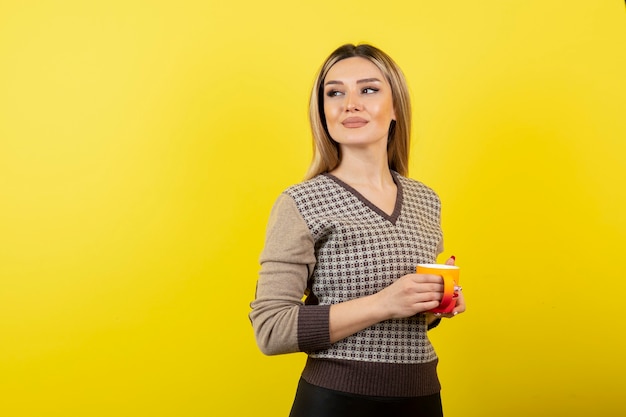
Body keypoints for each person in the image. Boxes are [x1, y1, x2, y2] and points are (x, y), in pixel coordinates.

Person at [249, 43, 466, 417]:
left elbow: (414, 324)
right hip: (335, 403)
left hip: (422, 398)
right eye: (335, 92)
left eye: (368, 89)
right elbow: (270, 328)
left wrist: (436, 305)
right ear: (323, 111)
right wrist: (384, 303)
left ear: (395, 106)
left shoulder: (425, 200)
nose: (351, 103)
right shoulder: (301, 202)